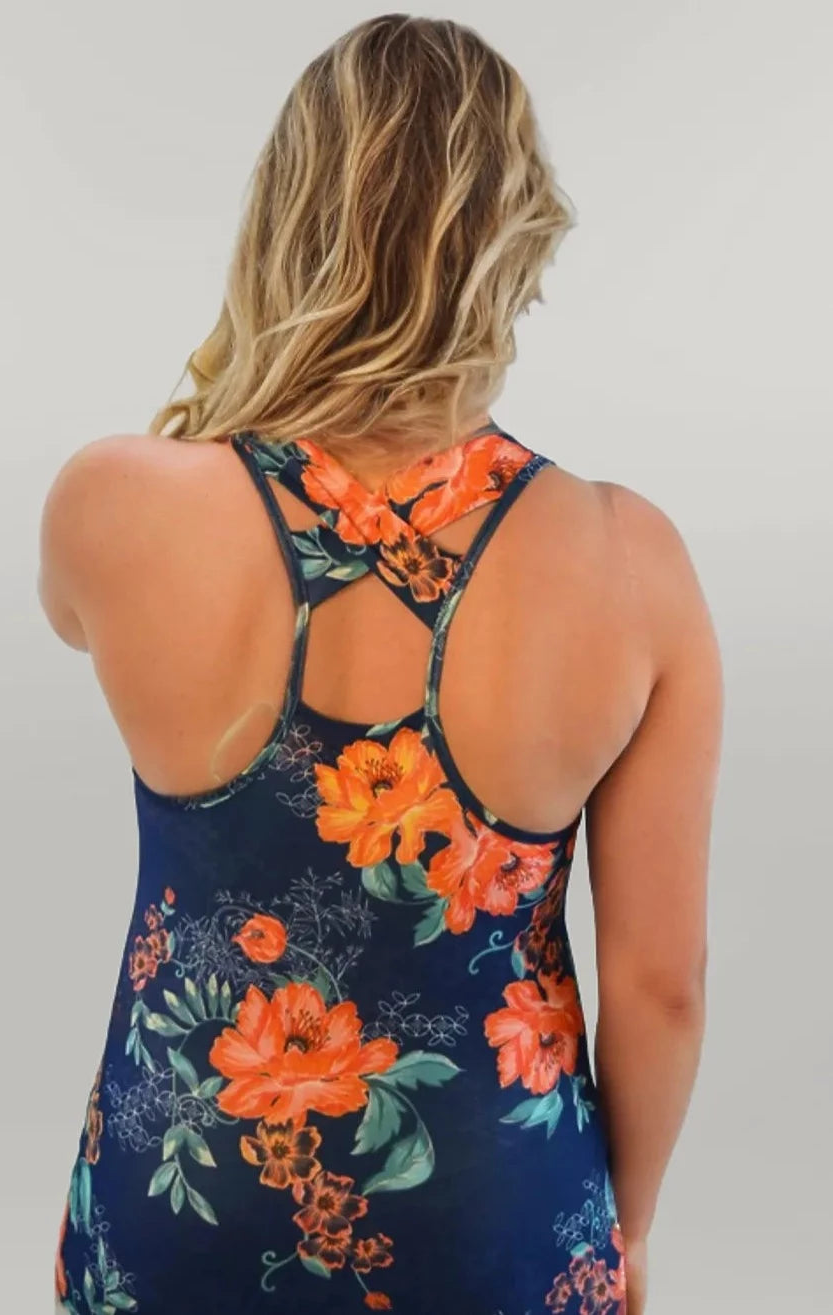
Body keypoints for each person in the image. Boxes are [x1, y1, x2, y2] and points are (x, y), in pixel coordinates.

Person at [39, 14, 722, 1315]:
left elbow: (74, 621)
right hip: (501, 1227)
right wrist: (621, 1231)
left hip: (176, 1207)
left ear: (283, 216)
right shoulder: (632, 563)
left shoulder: (113, 504)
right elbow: (662, 987)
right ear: (517, 239)